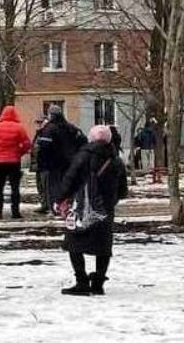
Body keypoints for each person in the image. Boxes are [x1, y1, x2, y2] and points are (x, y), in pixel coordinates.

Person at [56, 125, 128, 296]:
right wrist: (109, 201)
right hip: (105, 209)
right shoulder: (116, 160)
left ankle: (81, 282)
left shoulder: (82, 156)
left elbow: (70, 179)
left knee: (74, 242)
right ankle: (98, 283)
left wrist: (60, 199)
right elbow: (123, 190)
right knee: (103, 246)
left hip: (81, 207)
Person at [35, 105, 86, 215]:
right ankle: (68, 206)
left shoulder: (49, 129)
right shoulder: (71, 128)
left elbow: (43, 147)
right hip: (70, 163)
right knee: (68, 185)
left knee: (53, 187)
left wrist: (42, 163)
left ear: (50, 115)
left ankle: (56, 207)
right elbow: (83, 141)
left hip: (53, 164)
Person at [0, 105, 32, 220]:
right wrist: (19, 153)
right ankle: (15, 212)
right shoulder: (19, 128)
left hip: (0, 162)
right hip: (14, 162)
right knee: (15, 187)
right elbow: (27, 144)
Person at [31, 117, 49, 214]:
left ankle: (46, 204)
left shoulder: (45, 133)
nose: (38, 124)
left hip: (44, 164)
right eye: (37, 122)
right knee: (40, 185)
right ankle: (44, 204)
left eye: (40, 122)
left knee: (44, 185)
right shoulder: (39, 133)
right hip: (38, 164)